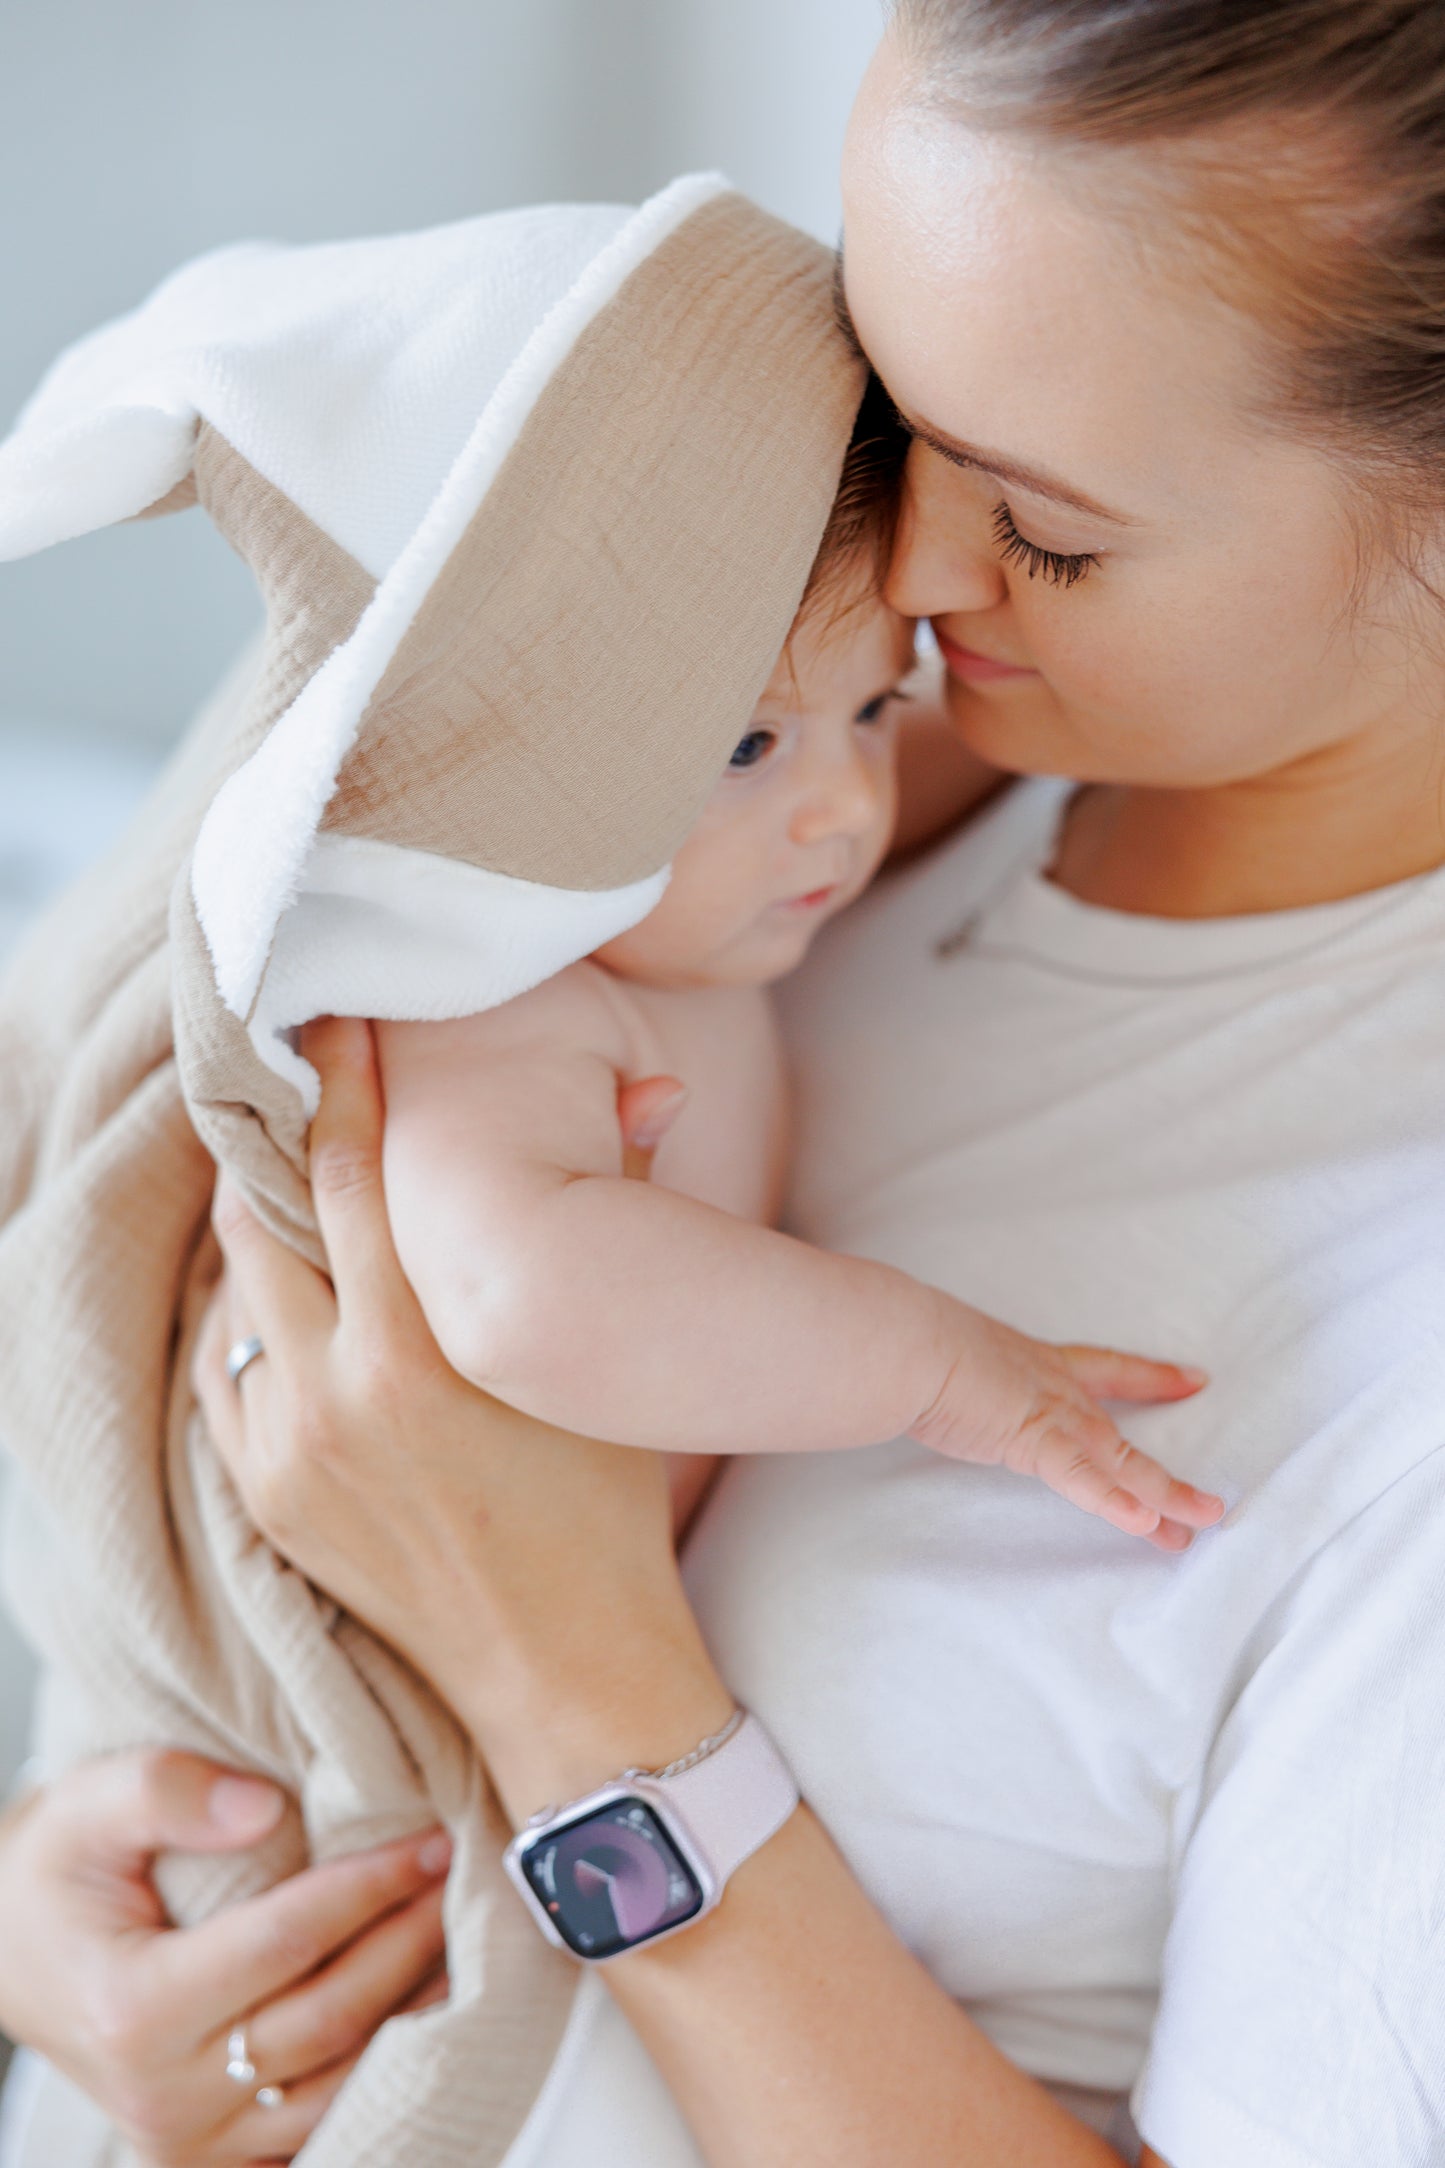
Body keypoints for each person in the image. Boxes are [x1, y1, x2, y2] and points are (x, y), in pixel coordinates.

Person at [6, 1, 1445, 2162]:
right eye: (879, 409)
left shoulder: (1392, 1327)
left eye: (1041, 531)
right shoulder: (670, 764)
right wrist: (102, 1915)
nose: (901, 571)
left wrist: (574, 1679)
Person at [376, 418, 1217, 1544]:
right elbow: (513, 1297)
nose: (852, 806)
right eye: (744, 748)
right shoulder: (503, 1003)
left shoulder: (700, 910)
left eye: (874, 711)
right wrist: (935, 1369)